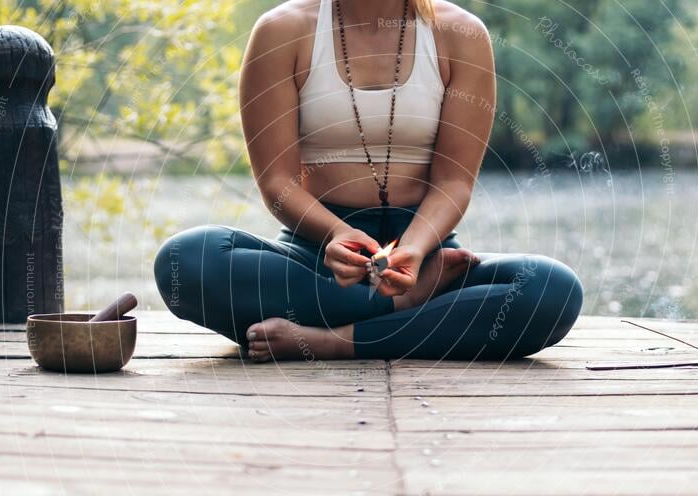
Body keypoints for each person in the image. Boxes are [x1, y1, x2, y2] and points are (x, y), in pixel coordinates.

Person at [154, 0, 582, 361]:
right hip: (317, 260)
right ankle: (407, 309)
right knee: (184, 261)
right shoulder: (282, 32)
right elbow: (277, 183)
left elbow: (454, 183)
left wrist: (412, 252)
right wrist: (338, 234)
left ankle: (333, 341)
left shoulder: (461, 34)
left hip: (427, 256)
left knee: (552, 290)